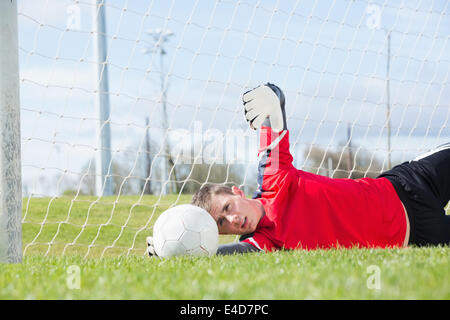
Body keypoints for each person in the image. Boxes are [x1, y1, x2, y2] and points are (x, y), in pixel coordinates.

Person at [190, 83, 450, 255]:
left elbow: (274, 111)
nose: (233, 219)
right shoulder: (264, 243)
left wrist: (271, 94)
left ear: (237, 193)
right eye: (222, 224)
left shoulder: (273, 178)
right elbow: (223, 254)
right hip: (419, 235)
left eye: (227, 208)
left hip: (407, 184)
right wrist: (182, 247)